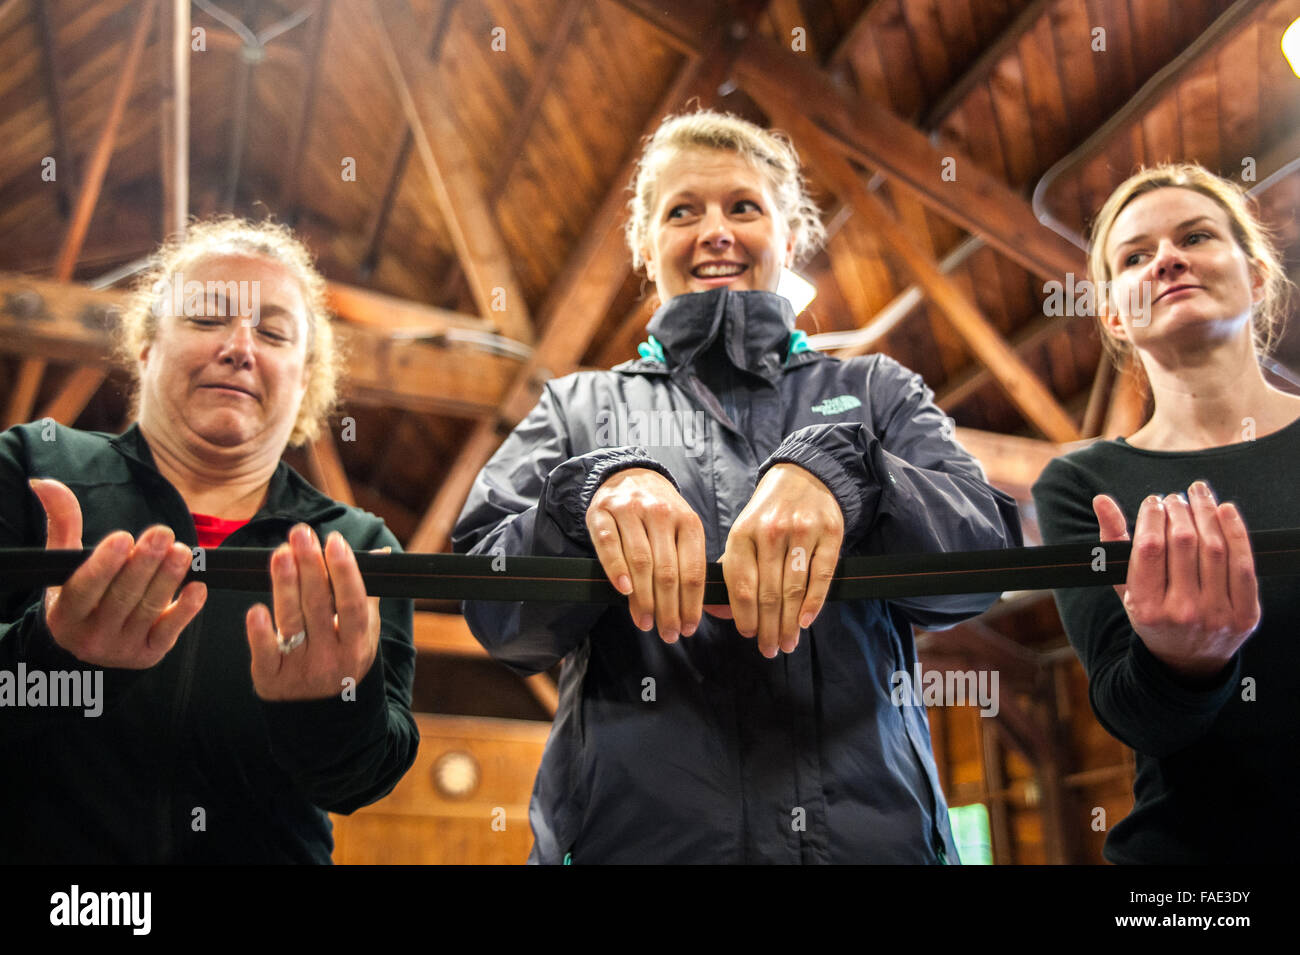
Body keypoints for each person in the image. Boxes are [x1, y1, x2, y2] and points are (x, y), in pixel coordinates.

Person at [453, 110, 1021, 864]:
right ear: (645, 246)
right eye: (681, 210)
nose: (714, 230)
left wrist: (851, 471)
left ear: (789, 238)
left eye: (743, 207)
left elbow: (981, 565)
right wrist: (582, 494)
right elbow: (494, 608)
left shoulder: (876, 391)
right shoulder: (576, 409)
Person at [0, 218, 419, 863]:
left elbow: (360, 781)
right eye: (205, 319)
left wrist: (332, 705)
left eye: (274, 332)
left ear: (305, 379)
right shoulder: (30, 467)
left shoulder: (356, 543)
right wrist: (53, 657)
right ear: (146, 347)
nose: (240, 347)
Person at [1031, 163, 1299, 863]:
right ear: (1115, 313)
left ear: (1258, 275)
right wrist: (1183, 664)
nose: (1168, 259)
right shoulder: (1080, 482)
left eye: (1197, 235)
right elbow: (1130, 713)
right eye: (1135, 256)